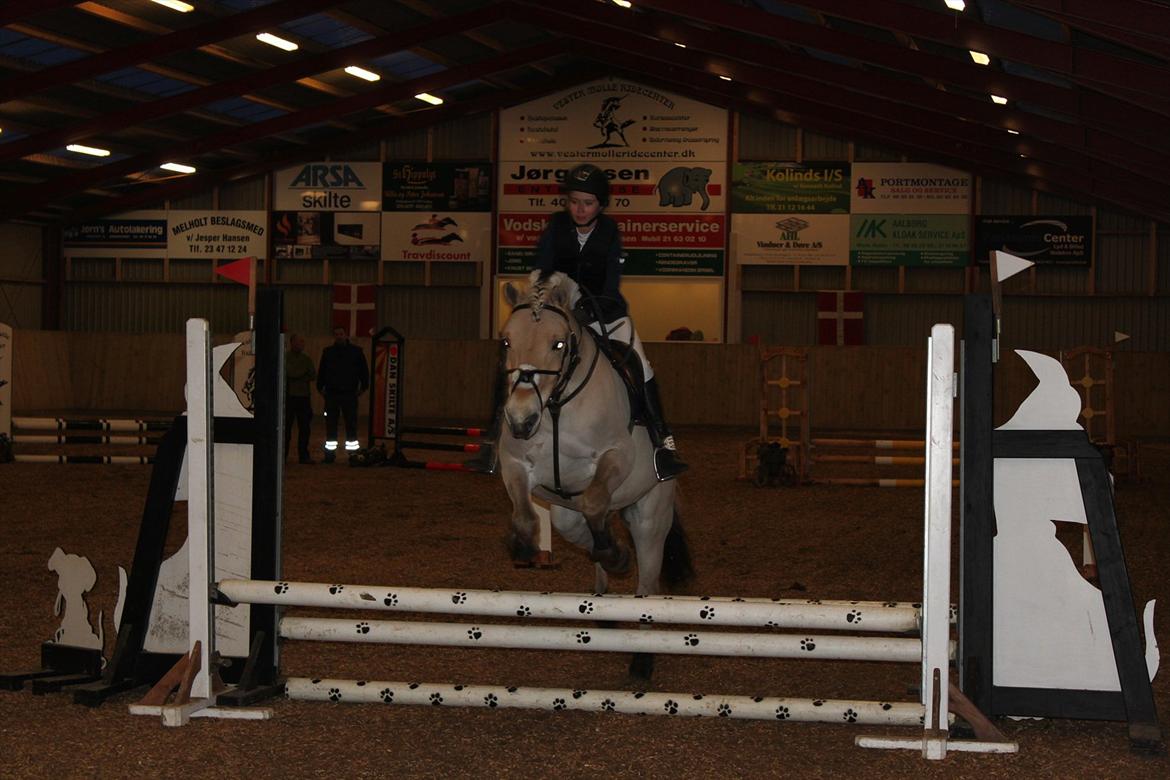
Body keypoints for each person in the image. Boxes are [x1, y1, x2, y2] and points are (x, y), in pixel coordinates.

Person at [533, 163, 687, 480]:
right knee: (521, 352)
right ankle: (496, 433)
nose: (580, 209)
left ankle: (663, 442)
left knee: (641, 365)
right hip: (562, 314)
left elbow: (610, 285)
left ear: (601, 206)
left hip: (606, 313)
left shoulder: (609, 232)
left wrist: (587, 312)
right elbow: (543, 270)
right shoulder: (556, 227)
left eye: (588, 203)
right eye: (574, 201)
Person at [317, 326, 369, 463]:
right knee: (330, 425)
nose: (339, 336)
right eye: (336, 334)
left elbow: (364, 372)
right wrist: (320, 387)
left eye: (341, 333)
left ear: (346, 335)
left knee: (351, 424)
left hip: (349, 394)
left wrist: (363, 387)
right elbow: (322, 371)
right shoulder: (327, 352)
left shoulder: (356, 352)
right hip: (332, 394)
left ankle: (353, 455)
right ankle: (329, 455)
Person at [284, 334, 316, 464]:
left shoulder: (306, 359)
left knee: (305, 428)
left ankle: (304, 455)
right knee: (286, 428)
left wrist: (295, 376)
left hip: (304, 397)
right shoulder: (285, 357)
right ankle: (283, 455)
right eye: (298, 342)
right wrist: (302, 374)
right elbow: (290, 372)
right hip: (289, 397)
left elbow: (313, 374)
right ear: (292, 343)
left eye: (302, 342)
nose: (301, 344)